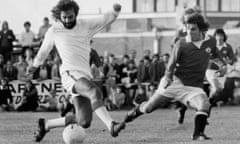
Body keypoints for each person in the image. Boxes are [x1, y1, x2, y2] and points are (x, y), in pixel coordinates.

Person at [27, 0, 125, 142]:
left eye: (70, 17)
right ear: (59, 16)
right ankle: (112, 125)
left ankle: (46, 124)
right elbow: (43, 51)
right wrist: (35, 65)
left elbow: (104, 20)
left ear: (75, 14)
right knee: (94, 92)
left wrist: (115, 12)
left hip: (84, 76)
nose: (67, 20)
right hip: (69, 74)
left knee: (84, 121)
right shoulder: (54, 31)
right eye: (64, 17)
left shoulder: (85, 25)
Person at [124, 13, 221, 141]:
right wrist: (168, 78)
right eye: (187, 28)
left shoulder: (211, 41)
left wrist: (221, 66)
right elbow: (171, 64)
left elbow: (215, 56)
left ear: (201, 29)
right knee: (148, 108)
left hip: (193, 87)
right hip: (174, 83)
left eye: (193, 29)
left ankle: (198, 134)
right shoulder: (181, 44)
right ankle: (133, 112)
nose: (189, 32)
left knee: (204, 104)